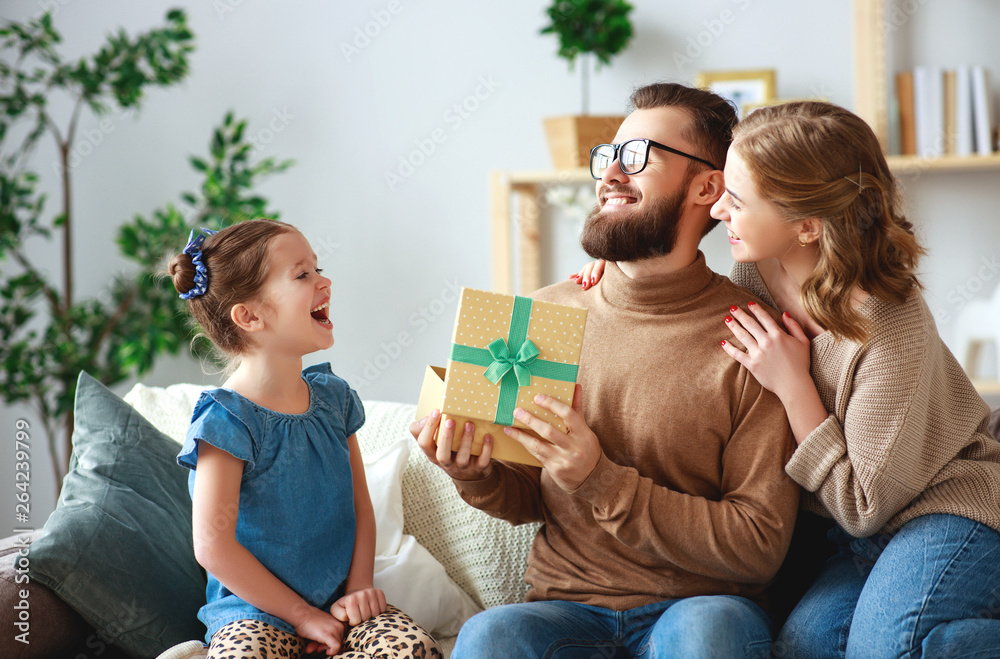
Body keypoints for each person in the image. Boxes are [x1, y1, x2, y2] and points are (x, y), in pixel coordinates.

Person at [578, 100, 1000, 657]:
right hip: (848, 542)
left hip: (944, 509)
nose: (720, 210)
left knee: (886, 652)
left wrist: (794, 385)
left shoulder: (888, 326)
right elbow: (677, 261)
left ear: (807, 225)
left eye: (738, 199)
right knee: (799, 649)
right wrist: (621, 265)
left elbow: (863, 506)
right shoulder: (754, 272)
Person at [412, 82, 800, 658]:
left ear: (707, 186)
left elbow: (758, 545)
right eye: (607, 155)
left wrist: (599, 476)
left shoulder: (754, 339)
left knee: (708, 632)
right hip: (565, 605)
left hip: (697, 607)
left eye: (639, 156)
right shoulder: (548, 313)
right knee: (489, 635)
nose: (611, 173)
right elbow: (533, 496)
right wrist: (475, 473)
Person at [170, 219, 441, 658]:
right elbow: (212, 546)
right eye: (302, 275)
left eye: (318, 268)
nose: (324, 281)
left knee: (412, 649)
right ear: (250, 315)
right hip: (253, 613)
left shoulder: (334, 399)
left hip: (341, 608)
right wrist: (301, 616)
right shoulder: (226, 420)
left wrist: (359, 590)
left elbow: (360, 508)